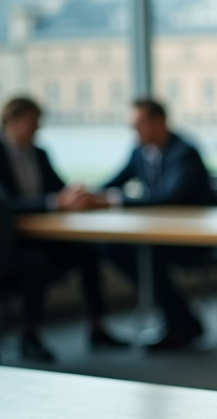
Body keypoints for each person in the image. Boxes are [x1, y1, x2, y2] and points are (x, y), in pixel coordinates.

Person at [0, 96, 126, 362]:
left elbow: (57, 188)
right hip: (9, 244)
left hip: (42, 236)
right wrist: (52, 202)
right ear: (11, 121)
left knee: (88, 253)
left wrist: (73, 194)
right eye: (32, 122)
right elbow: (6, 204)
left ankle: (97, 327)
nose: (37, 129)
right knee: (37, 263)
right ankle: (29, 335)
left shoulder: (39, 153)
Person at [101, 98, 215, 350]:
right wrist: (87, 196)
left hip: (195, 238)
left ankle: (180, 321)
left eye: (139, 124)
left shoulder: (184, 152)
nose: (134, 131)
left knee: (147, 254)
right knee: (111, 248)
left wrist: (113, 200)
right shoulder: (139, 151)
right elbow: (113, 182)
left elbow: (169, 197)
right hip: (160, 236)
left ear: (159, 122)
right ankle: (181, 319)